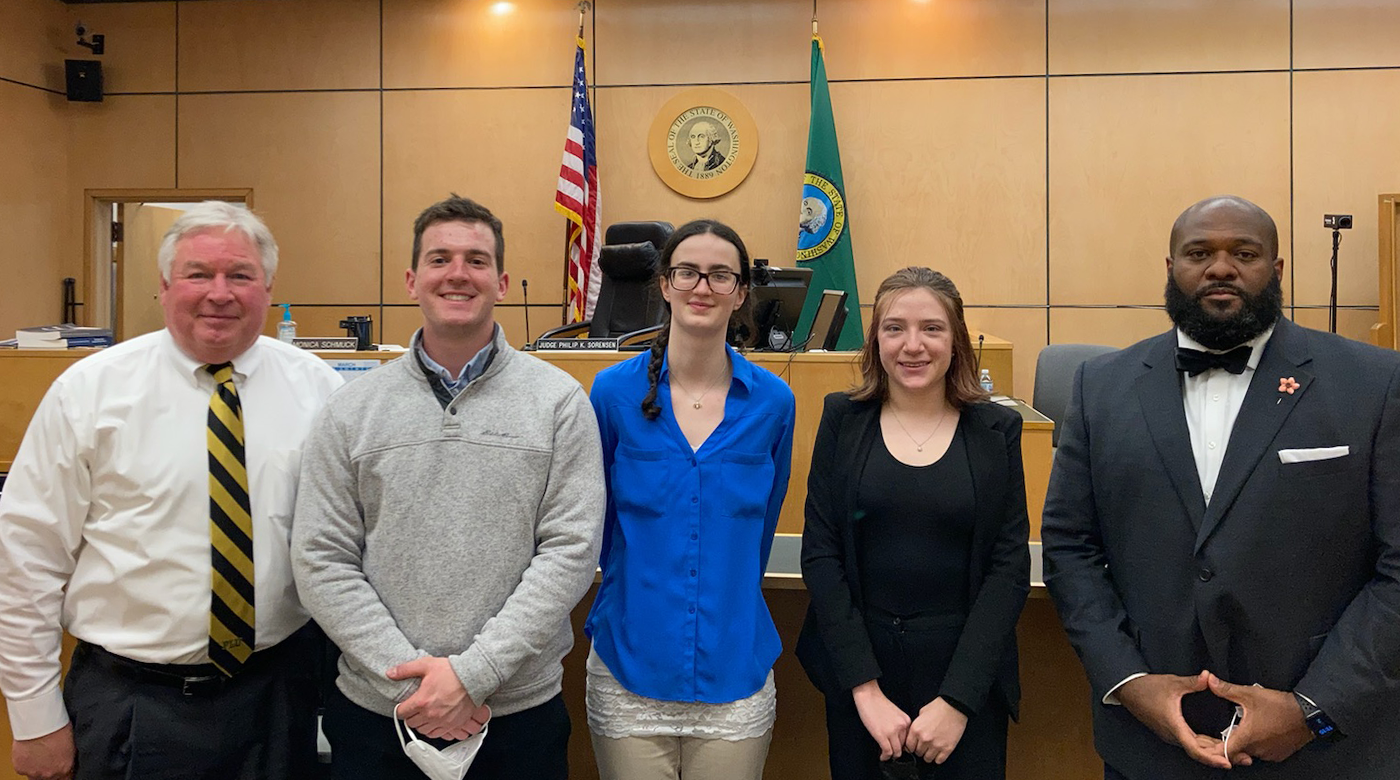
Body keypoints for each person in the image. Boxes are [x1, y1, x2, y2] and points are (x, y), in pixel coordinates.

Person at [1041, 195, 1400, 779]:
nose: (1221, 267)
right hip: (1151, 746)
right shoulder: (1100, 388)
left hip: (1325, 750)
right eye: (1199, 252)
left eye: (1245, 252)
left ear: (1278, 271)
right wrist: (1128, 683)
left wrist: (1313, 709)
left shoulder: (1374, 383)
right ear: (1171, 268)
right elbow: (1069, 547)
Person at [0, 201, 344, 780]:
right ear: (163, 286)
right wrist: (34, 717)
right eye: (197, 274)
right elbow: (27, 559)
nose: (219, 292)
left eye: (240, 275)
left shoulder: (320, 391)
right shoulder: (88, 393)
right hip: (132, 702)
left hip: (278, 696)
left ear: (267, 287)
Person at [291, 194, 606, 780]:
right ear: (412, 280)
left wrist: (472, 674)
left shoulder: (560, 402)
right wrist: (415, 682)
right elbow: (321, 559)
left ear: (503, 282)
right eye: (439, 259)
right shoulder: (351, 410)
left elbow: (571, 552)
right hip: (378, 716)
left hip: (516, 716)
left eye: (476, 260)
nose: (457, 273)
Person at [797, 267, 1031, 780]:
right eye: (894, 327)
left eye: (931, 328)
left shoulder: (997, 430)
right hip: (863, 674)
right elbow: (821, 553)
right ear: (876, 339)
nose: (913, 345)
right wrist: (865, 690)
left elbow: (1009, 566)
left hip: (965, 676)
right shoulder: (843, 418)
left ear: (956, 341)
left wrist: (958, 700)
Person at [584, 219, 796, 780]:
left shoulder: (774, 403)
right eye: (688, 272)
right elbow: (595, 525)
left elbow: (762, 525)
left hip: (735, 671)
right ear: (665, 283)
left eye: (720, 275)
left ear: (741, 292)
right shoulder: (611, 394)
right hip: (630, 664)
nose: (702, 287)